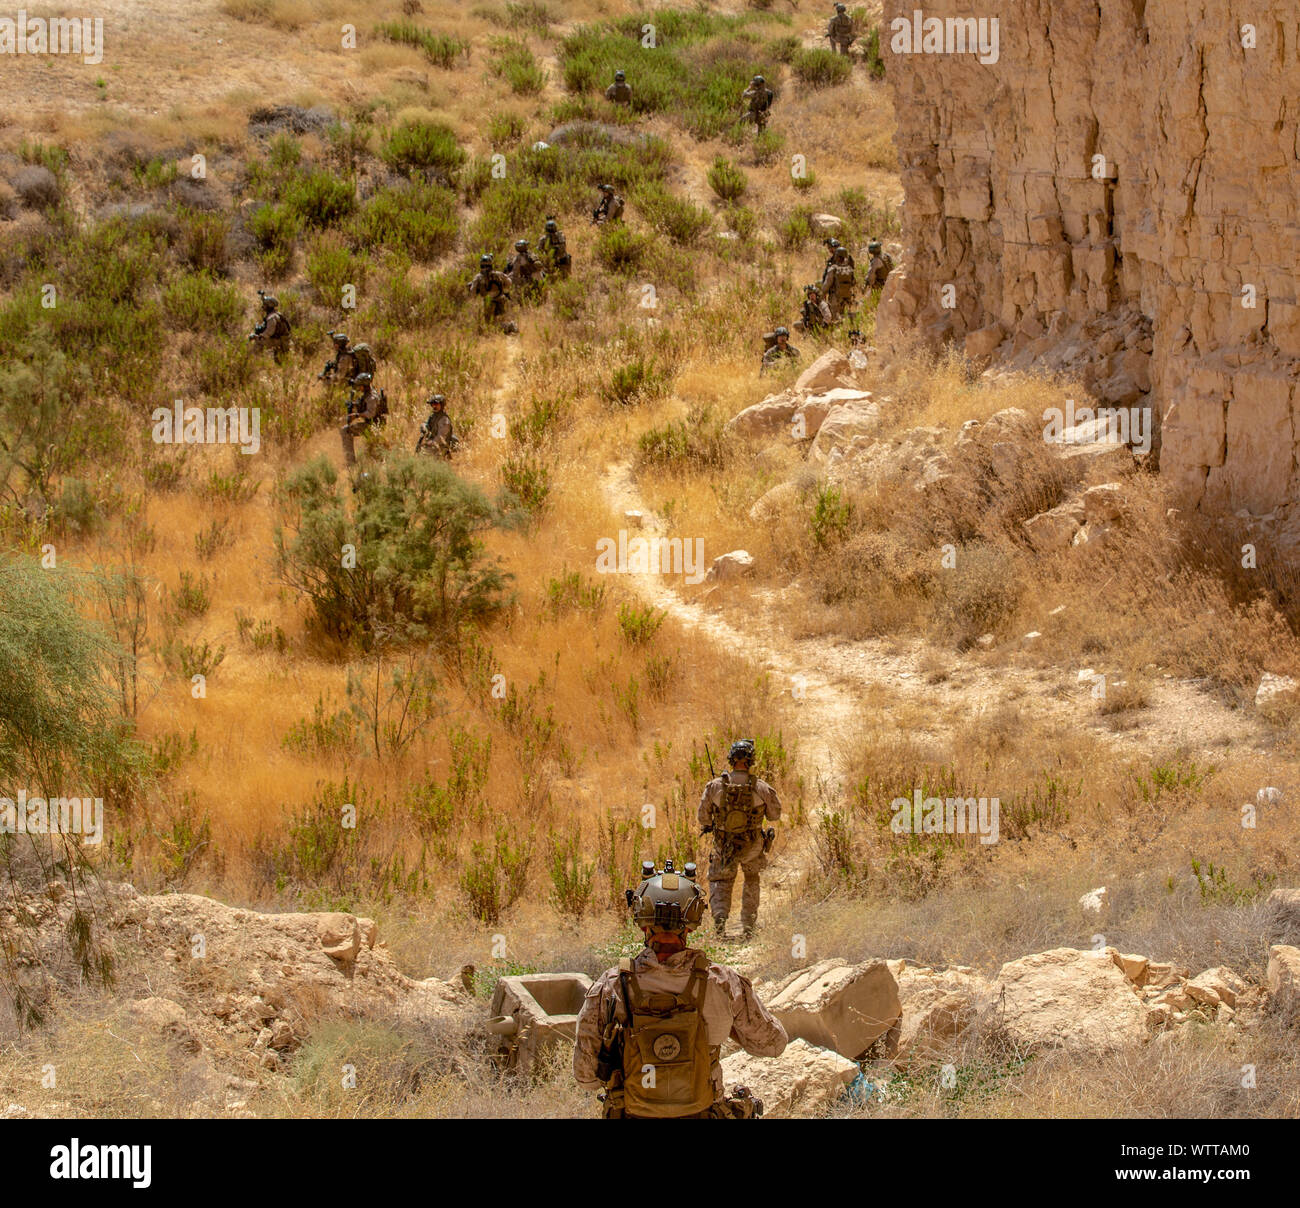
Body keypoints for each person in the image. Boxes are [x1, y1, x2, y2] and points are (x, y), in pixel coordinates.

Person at [574, 858, 787, 1119]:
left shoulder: (611, 986)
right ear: (690, 925)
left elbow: (586, 1078)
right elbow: (773, 1045)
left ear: (643, 923)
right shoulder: (722, 982)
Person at [698, 740, 782, 935]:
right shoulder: (761, 788)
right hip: (752, 845)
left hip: (723, 845)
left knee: (721, 881)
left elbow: (702, 816)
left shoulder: (715, 786)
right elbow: (774, 815)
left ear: (731, 759)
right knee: (751, 880)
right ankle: (749, 925)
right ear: (751, 760)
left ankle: (720, 919)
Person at [339, 372, 387, 467]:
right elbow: (363, 405)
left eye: (359, 385)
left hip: (374, 426)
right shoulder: (367, 394)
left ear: (364, 386)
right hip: (372, 425)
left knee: (345, 430)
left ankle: (351, 463)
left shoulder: (371, 397)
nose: (358, 388)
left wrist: (357, 415)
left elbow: (370, 414)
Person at [467, 253, 513, 324]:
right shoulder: (499, 274)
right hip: (500, 298)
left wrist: (475, 296)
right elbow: (509, 282)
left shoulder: (478, 277)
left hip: (488, 301)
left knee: (489, 323)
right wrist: (504, 290)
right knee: (503, 318)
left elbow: (473, 290)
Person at [247, 291, 290, 362]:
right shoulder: (276, 314)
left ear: (269, 306)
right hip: (283, 340)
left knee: (258, 342)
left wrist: (257, 336)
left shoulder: (271, 317)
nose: (263, 306)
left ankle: (252, 361)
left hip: (280, 341)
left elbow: (269, 332)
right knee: (280, 361)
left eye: (265, 305)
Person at [415, 393, 456, 458]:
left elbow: (440, 438)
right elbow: (426, 425)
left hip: (440, 449)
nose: (434, 406)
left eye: (436, 404)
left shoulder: (444, 420)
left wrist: (429, 443)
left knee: (423, 457)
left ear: (441, 405)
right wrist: (424, 426)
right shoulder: (433, 416)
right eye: (432, 404)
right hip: (433, 447)